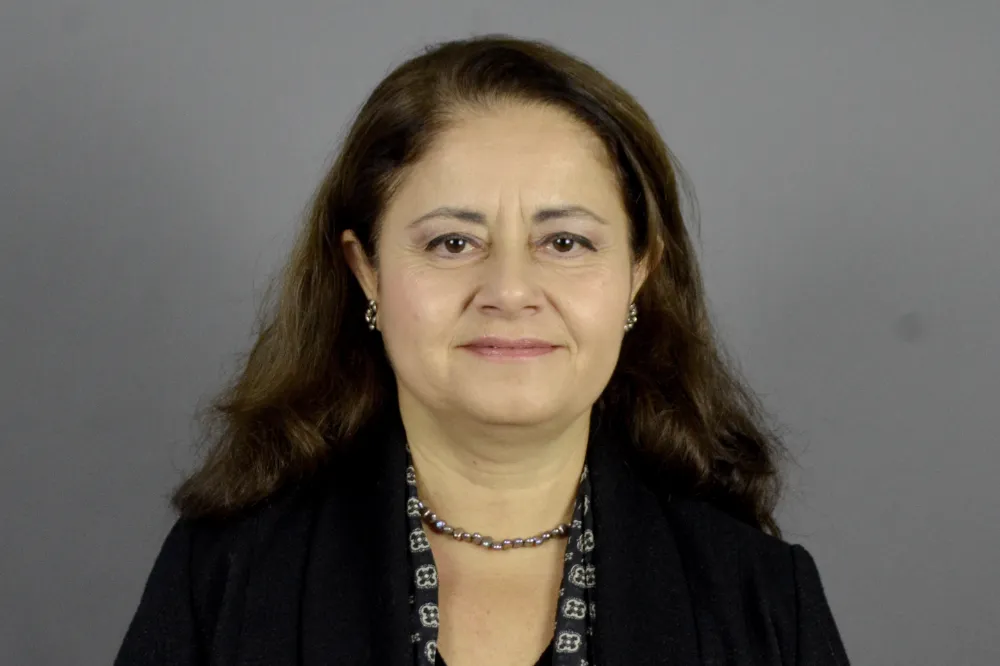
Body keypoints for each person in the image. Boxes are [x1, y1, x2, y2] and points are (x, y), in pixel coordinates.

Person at [114, 34, 850, 666]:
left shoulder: (761, 598)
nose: (510, 290)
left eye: (565, 242)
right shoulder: (224, 578)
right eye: (452, 243)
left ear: (639, 274)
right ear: (366, 272)